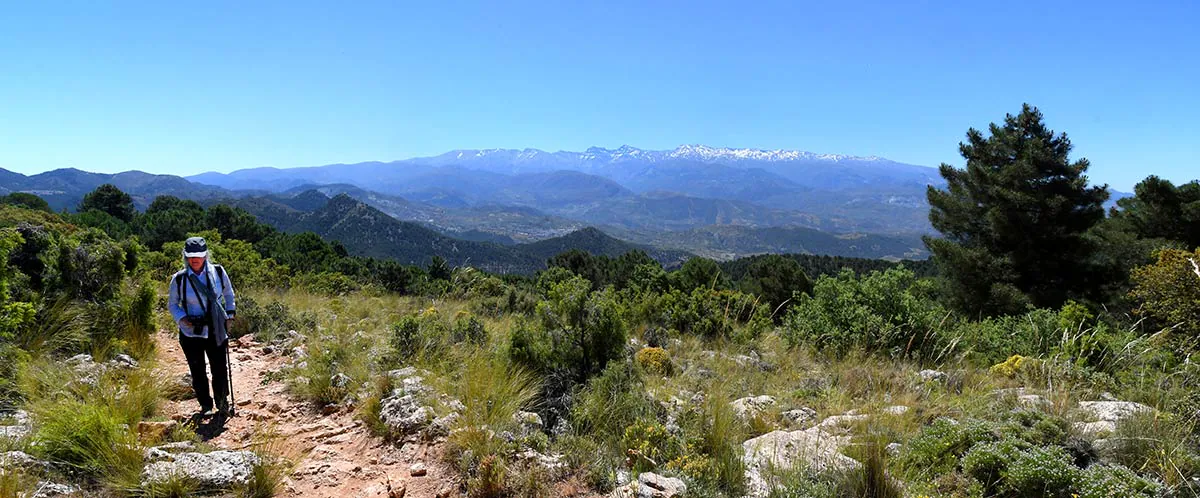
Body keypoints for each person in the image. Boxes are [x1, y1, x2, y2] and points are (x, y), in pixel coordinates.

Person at [167, 236, 236, 417]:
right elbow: (173, 304)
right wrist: (182, 318)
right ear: (185, 256)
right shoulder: (179, 279)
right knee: (197, 370)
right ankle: (205, 405)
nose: (194, 259)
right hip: (190, 332)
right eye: (190, 255)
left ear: (205, 255)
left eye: (198, 255)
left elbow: (229, 294)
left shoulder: (218, 272)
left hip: (215, 328)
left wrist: (230, 315)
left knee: (219, 367)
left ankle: (222, 402)